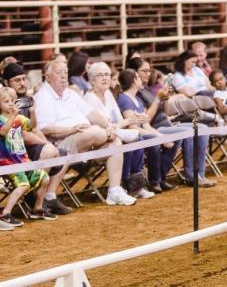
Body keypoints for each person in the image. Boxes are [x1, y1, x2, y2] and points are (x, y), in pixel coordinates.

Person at [34, 60, 136, 206]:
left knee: (114, 142)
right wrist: (72, 129)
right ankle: (116, 132)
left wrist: (108, 126)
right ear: (47, 77)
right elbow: (45, 129)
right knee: (93, 131)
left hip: (86, 141)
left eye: (65, 73)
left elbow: (92, 114)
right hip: (61, 143)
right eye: (59, 73)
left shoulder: (70, 93)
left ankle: (114, 191)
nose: (64, 76)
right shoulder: (43, 97)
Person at [126, 57, 216, 188]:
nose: (148, 73)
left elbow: (167, 112)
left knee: (202, 128)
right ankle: (190, 175)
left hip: (167, 124)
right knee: (189, 132)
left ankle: (199, 174)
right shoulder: (137, 94)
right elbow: (146, 120)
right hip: (156, 128)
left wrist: (166, 98)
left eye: (149, 70)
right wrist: (158, 99)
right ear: (134, 74)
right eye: (144, 71)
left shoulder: (147, 90)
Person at [3, 63, 73, 215]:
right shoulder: (5, 105)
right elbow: (21, 135)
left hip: (28, 145)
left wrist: (48, 144)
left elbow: (34, 128)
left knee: (65, 154)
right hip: (16, 150)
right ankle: (32, 196)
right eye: (17, 80)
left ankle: (50, 197)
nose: (22, 83)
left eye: (24, 79)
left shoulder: (28, 99)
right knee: (49, 151)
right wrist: (46, 144)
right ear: (7, 83)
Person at [84, 63, 154, 199]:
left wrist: (137, 118)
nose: (104, 78)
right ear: (92, 80)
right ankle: (125, 185)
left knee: (137, 139)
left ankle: (136, 186)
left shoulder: (109, 94)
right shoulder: (89, 99)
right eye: (100, 75)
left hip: (115, 134)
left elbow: (118, 120)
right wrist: (126, 122)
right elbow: (103, 126)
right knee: (126, 142)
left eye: (107, 75)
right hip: (99, 142)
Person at [0, 87, 56, 226]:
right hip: (8, 162)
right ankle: (6, 213)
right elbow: (3, 132)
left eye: (13, 101)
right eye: (6, 101)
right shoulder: (2, 119)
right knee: (23, 185)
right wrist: (12, 116)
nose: (11, 104)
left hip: (23, 160)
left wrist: (32, 112)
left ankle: (37, 209)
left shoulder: (19, 118)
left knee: (44, 178)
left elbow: (32, 126)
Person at [117, 69, 179, 194]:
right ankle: (153, 181)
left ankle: (161, 177)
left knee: (174, 139)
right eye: (139, 77)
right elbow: (132, 127)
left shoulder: (138, 100)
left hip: (141, 133)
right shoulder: (124, 99)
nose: (142, 80)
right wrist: (158, 138)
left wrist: (161, 136)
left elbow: (146, 125)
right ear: (134, 80)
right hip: (131, 136)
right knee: (154, 142)